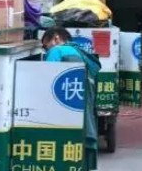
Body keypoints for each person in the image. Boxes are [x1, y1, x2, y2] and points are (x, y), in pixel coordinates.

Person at [41, 27, 101, 170]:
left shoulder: (57, 51)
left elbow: (46, 77)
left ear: (56, 38)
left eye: (45, 45)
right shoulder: (79, 51)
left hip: (65, 105)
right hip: (83, 103)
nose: (46, 50)